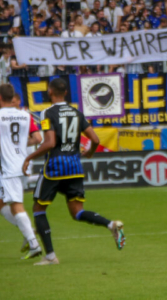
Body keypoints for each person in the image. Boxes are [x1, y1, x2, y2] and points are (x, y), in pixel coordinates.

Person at [22, 78, 125, 265]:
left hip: (55, 167)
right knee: (77, 211)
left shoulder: (46, 113)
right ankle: (111, 225)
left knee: (38, 208)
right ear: (66, 93)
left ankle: (50, 256)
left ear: (50, 92)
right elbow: (95, 139)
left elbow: (50, 143)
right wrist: (90, 153)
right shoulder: (77, 113)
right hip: (75, 167)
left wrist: (29, 157)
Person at [0, 84, 43, 259]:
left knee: (16, 205)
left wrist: (9, 146)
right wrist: (16, 145)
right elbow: (37, 138)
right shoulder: (26, 115)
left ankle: (33, 243)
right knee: (2, 203)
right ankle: (28, 231)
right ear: (13, 98)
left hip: (8, 167)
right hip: (22, 163)